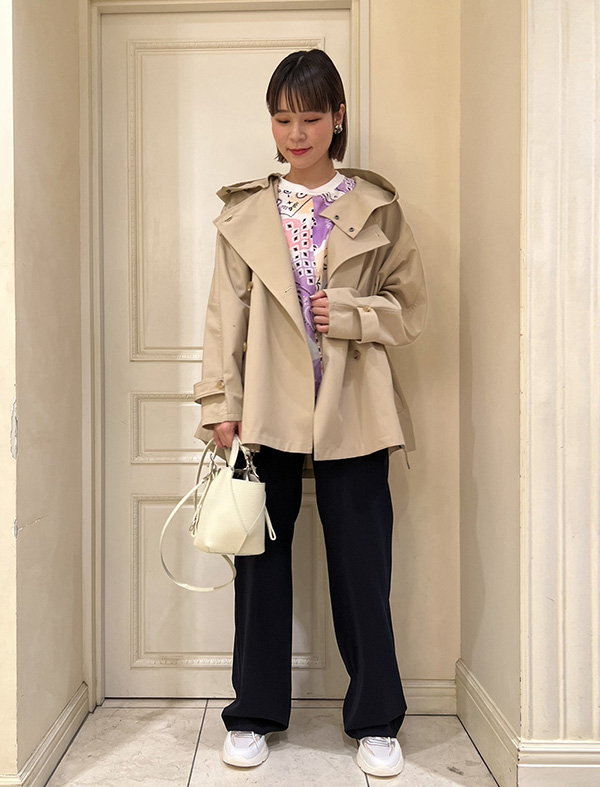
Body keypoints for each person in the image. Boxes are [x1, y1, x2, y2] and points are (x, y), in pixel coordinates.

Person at [192, 48, 427, 778]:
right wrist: (219, 403)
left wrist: (351, 314)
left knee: (363, 568)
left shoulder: (376, 206)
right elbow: (223, 319)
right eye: (283, 118)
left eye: (311, 118)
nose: (296, 134)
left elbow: (410, 308)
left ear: (338, 118)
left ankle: (376, 720)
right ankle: (253, 714)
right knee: (259, 565)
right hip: (266, 408)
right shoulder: (245, 212)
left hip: (353, 407)